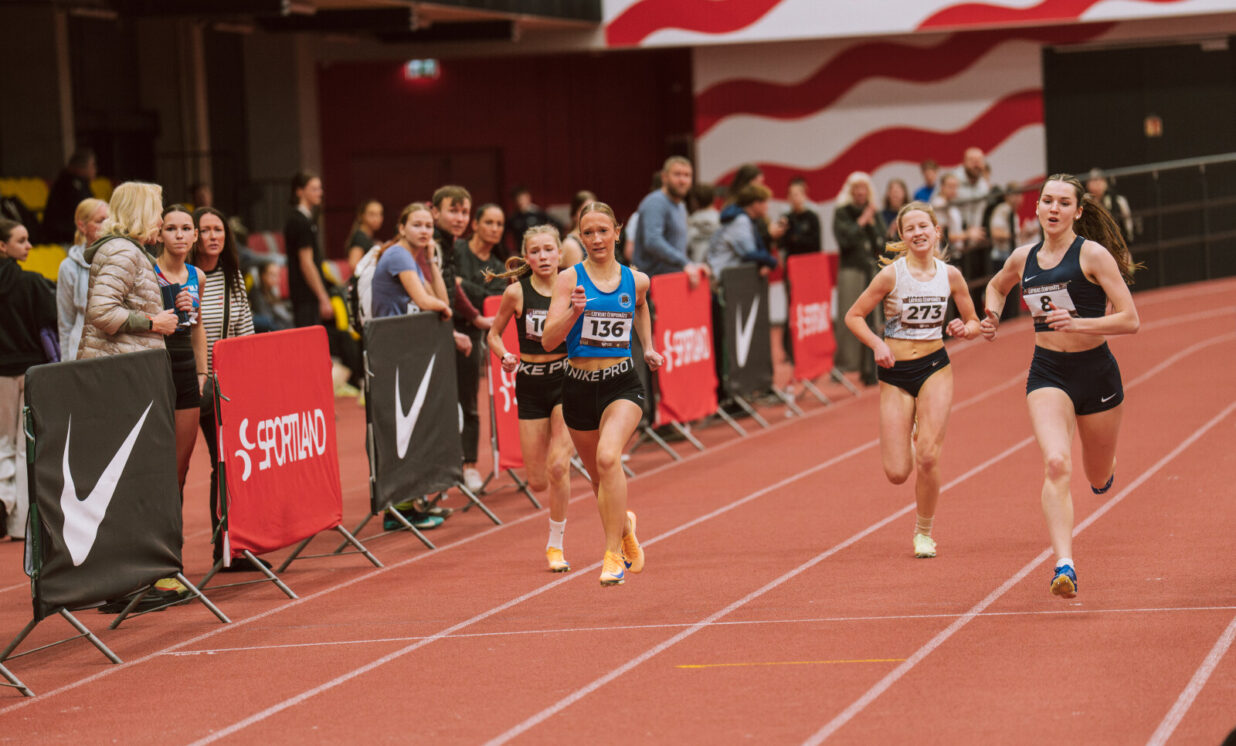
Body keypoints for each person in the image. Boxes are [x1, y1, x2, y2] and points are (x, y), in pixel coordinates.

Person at [981, 173, 1142, 599]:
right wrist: (992, 315)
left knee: (1097, 474)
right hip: (1048, 372)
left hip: (1096, 373)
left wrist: (1079, 323)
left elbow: (1130, 319)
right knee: (1055, 462)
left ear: (1078, 211)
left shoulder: (1093, 255)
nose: (1054, 209)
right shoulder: (1023, 257)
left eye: (1063, 203)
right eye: (1048, 201)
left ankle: (1105, 469)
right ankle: (1064, 564)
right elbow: (996, 286)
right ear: (1036, 207)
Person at [844, 202, 981, 559]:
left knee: (929, 457)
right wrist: (877, 344)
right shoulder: (891, 275)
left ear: (937, 231)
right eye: (910, 228)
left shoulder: (950, 275)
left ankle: (924, 533)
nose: (918, 233)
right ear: (902, 236)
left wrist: (964, 328)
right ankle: (911, 427)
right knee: (897, 472)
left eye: (924, 226)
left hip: (935, 367)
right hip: (895, 373)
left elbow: (974, 322)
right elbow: (854, 316)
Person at [78, 182, 187, 608]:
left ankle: (131, 579)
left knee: (129, 480)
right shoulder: (123, 252)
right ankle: (128, 583)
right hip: (118, 383)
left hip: (128, 378)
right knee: (126, 481)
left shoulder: (129, 251)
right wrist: (152, 323)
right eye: (157, 210)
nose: (161, 219)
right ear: (141, 212)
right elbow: (101, 312)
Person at [542, 202, 662, 586]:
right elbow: (548, 341)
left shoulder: (636, 280)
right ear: (580, 237)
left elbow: (641, 307)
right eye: (588, 233)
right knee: (598, 480)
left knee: (610, 458)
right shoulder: (568, 280)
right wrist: (573, 313)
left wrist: (648, 346)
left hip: (621, 383)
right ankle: (624, 526)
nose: (596, 239)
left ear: (617, 232)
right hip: (578, 387)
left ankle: (611, 556)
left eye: (603, 231)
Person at [486, 225, 575, 572]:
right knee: (538, 481)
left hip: (567, 379)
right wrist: (505, 355)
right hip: (531, 384)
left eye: (549, 250)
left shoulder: (574, 286)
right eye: (535, 251)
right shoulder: (516, 293)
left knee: (558, 466)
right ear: (526, 258)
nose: (543, 257)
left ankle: (556, 543)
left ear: (559, 253)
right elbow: (493, 335)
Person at [370, 202, 453, 531]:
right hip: (392, 352)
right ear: (401, 227)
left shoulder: (413, 259)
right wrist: (443, 310)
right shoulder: (398, 256)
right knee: (401, 430)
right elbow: (426, 301)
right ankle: (399, 511)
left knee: (414, 427)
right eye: (417, 225)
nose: (424, 231)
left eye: (428, 226)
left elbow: (440, 298)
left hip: (407, 351)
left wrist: (431, 261)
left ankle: (411, 504)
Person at [190, 206, 256, 569]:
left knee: (227, 465)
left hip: (225, 386)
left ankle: (228, 547)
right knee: (177, 470)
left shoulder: (233, 277)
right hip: (190, 384)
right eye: (205, 230)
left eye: (218, 229)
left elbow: (244, 329)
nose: (213, 236)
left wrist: (247, 379)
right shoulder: (183, 276)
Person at [0, 219, 56, 540]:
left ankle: (3, 502)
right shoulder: (33, 283)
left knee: (2, 443)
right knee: (25, 447)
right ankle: (20, 523)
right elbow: (49, 326)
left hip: (2, 374)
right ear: (2, 245)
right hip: (31, 371)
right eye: (21, 240)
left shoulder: (33, 282)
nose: (29, 245)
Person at [154, 205, 208, 493]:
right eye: (171, 229)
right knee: (156, 459)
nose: (179, 235)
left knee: (181, 464)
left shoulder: (197, 275)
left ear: (195, 235)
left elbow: (198, 326)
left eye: (186, 229)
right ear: (159, 235)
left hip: (186, 364)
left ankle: (175, 520)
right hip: (156, 362)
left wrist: (202, 371)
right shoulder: (148, 272)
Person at [833, 171, 887, 384]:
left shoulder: (874, 211)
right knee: (851, 317)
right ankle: (847, 364)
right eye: (857, 188)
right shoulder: (842, 213)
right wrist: (863, 221)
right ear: (850, 191)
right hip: (851, 270)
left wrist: (872, 224)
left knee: (874, 320)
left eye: (864, 188)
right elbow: (845, 241)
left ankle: (870, 367)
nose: (861, 192)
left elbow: (883, 241)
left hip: (871, 270)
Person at [632, 156, 708, 287]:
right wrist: (685, 263)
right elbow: (653, 241)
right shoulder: (655, 202)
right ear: (664, 177)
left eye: (687, 175)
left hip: (672, 280)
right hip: (652, 285)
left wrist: (693, 264)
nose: (682, 180)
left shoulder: (681, 206)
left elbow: (678, 247)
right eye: (677, 174)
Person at [57, 197, 109, 360]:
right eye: (100, 221)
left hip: (114, 349)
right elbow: (65, 323)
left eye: (109, 220)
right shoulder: (68, 266)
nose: (107, 225)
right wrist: (66, 363)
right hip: (81, 350)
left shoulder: (122, 258)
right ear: (82, 226)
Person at [283, 171, 332, 328]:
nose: (320, 193)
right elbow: (306, 263)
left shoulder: (306, 219)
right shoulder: (299, 221)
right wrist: (323, 296)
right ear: (299, 191)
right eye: (314, 189)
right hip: (305, 294)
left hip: (306, 294)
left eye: (320, 188)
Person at [706, 183, 779, 276]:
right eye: (765, 202)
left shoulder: (748, 220)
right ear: (756, 204)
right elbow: (750, 254)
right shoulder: (741, 221)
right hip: (722, 276)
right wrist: (772, 262)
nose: (767, 207)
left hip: (729, 275)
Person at [42, 148, 97, 244]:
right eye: (92, 165)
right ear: (80, 167)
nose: (95, 169)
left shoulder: (79, 184)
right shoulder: (70, 185)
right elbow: (88, 213)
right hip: (64, 239)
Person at [1085, 169, 1133, 242]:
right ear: (1087, 184)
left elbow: (1127, 222)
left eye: (1100, 180)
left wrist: (1128, 237)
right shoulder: (1085, 202)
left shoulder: (1118, 200)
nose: (1097, 183)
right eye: (1093, 180)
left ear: (1106, 183)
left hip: (1115, 240)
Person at [504, 185, 554, 255]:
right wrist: (509, 252)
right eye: (518, 199)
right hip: (521, 252)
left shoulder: (538, 213)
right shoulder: (513, 218)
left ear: (528, 197)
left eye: (522, 198)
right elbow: (503, 235)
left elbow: (555, 224)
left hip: (538, 250)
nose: (520, 201)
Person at [781, 177, 821, 256]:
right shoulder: (786, 218)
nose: (794, 198)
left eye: (796, 195)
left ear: (804, 196)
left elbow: (816, 243)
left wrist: (797, 239)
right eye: (791, 195)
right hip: (792, 258)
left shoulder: (812, 217)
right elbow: (783, 243)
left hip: (809, 257)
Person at [248, 261, 293, 333]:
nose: (276, 278)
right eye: (272, 275)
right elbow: (268, 320)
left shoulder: (272, 292)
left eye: (277, 275)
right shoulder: (257, 295)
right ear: (262, 275)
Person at [345, 198, 384, 271]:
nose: (377, 218)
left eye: (380, 214)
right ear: (362, 216)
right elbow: (354, 265)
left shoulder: (367, 238)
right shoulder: (360, 238)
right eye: (372, 214)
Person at [686, 183, 719, 264]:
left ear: (695, 201)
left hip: (697, 267)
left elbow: (684, 246)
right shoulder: (722, 220)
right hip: (717, 266)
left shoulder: (691, 223)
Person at [560, 190, 596, 265]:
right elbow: (576, 273)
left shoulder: (597, 239)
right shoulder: (571, 244)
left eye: (594, 210)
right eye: (585, 211)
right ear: (575, 215)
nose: (590, 214)